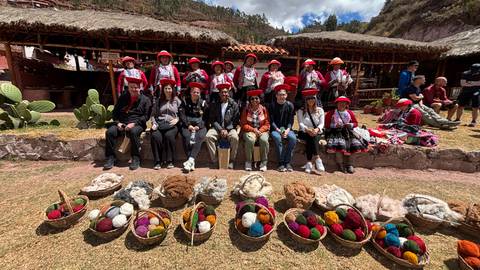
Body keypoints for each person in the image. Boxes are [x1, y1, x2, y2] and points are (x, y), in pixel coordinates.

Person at [104, 77, 151, 170]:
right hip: (122, 122)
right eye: (131, 87)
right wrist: (118, 123)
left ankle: (136, 158)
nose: (134, 89)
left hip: (137, 123)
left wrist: (134, 123)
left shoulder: (145, 100)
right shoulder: (123, 98)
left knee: (133, 132)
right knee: (110, 132)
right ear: (128, 88)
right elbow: (115, 113)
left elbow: (146, 116)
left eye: (136, 87)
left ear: (140, 88)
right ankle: (111, 158)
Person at [324, 96, 368, 174]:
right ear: (337, 104)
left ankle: (350, 165)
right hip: (335, 132)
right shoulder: (331, 113)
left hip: (348, 132)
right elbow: (327, 125)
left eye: (344, 103)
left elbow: (355, 123)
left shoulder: (349, 113)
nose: (342, 105)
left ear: (346, 104)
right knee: (339, 145)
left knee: (355, 144)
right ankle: (340, 164)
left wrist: (350, 125)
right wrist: (334, 125)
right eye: (340, 103)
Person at [205, 83, 240, 169]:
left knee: (235, 137)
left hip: (230, 128)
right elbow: (212, 119)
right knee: (208, 136)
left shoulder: (234, 105)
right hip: (217, 128)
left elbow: (235, 120)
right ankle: (215, 160)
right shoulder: (214, 104)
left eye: (226, 92)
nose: (224, 94)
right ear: (219, 94)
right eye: (222, 92)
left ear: (229, 93)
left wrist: (227, 129)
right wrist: (220, 129)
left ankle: (231, 160)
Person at [150, 79, 181, 170]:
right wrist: (154, 123)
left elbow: (182, 113)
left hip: (172, 125)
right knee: (155, 136)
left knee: (169, 136)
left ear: (173, 90)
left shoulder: (177, 100)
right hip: (159, 124)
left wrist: (177, 119)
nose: (168, 90)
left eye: (170, 88)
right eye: (166, 88)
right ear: (163, 90)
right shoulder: (158, 101)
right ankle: (158, 161)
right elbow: (152, 115)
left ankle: (170, 160)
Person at [179, 82, 209, 172]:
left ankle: (190, 160)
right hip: (187, 125)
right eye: (194, 92)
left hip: (200, 126)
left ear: (200, 94)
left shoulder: (203, 103)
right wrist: (188, 125)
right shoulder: (184, 101)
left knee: (199, 137)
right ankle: (191, 161)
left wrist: (199, 127)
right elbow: (182, 115)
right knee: (186, 136)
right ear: (190, 92)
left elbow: (206, 117)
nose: (196, 94)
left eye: (198, 92)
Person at [268, 84, 296, 172]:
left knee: (293, 139)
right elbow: (271, 121)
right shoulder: (272, 106)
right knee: (277, 138)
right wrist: (279, 130)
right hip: (275, 129)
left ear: (286, 95)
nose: (281, 96)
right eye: (280, 94)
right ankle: (280, 163)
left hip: (287, 129)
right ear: (276, 95)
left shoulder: (290, 105)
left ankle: (287, 162)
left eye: (283, 94)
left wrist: (287, 130)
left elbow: (291, 121)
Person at [296, 88, 325, 174]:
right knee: (310, 136)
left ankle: (309, 162)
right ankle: (317, 158)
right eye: (308, 98)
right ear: (305, 100)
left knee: (312, 136)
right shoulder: (301, 111)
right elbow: (300, 123)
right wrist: (307, 129)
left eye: (312, 98)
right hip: (304, 131)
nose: (310, 100)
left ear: (315, 99)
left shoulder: (320, 110)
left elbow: (322, 124)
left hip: (317, 131)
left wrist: (316, 129)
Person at [240, 89, 270, 172]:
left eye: (256, 98)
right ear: (249, 100)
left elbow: (267, 123)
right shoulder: (246, 109)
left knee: (264, 140)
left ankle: (264, 163)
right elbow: (243, 124)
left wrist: (260, 130)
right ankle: (248, 162)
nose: (254, 100)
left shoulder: (263, 109)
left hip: (262, 131)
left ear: (260, 99)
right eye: (252, 99)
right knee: (250, 140)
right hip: (249, 131)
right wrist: (253, 130)